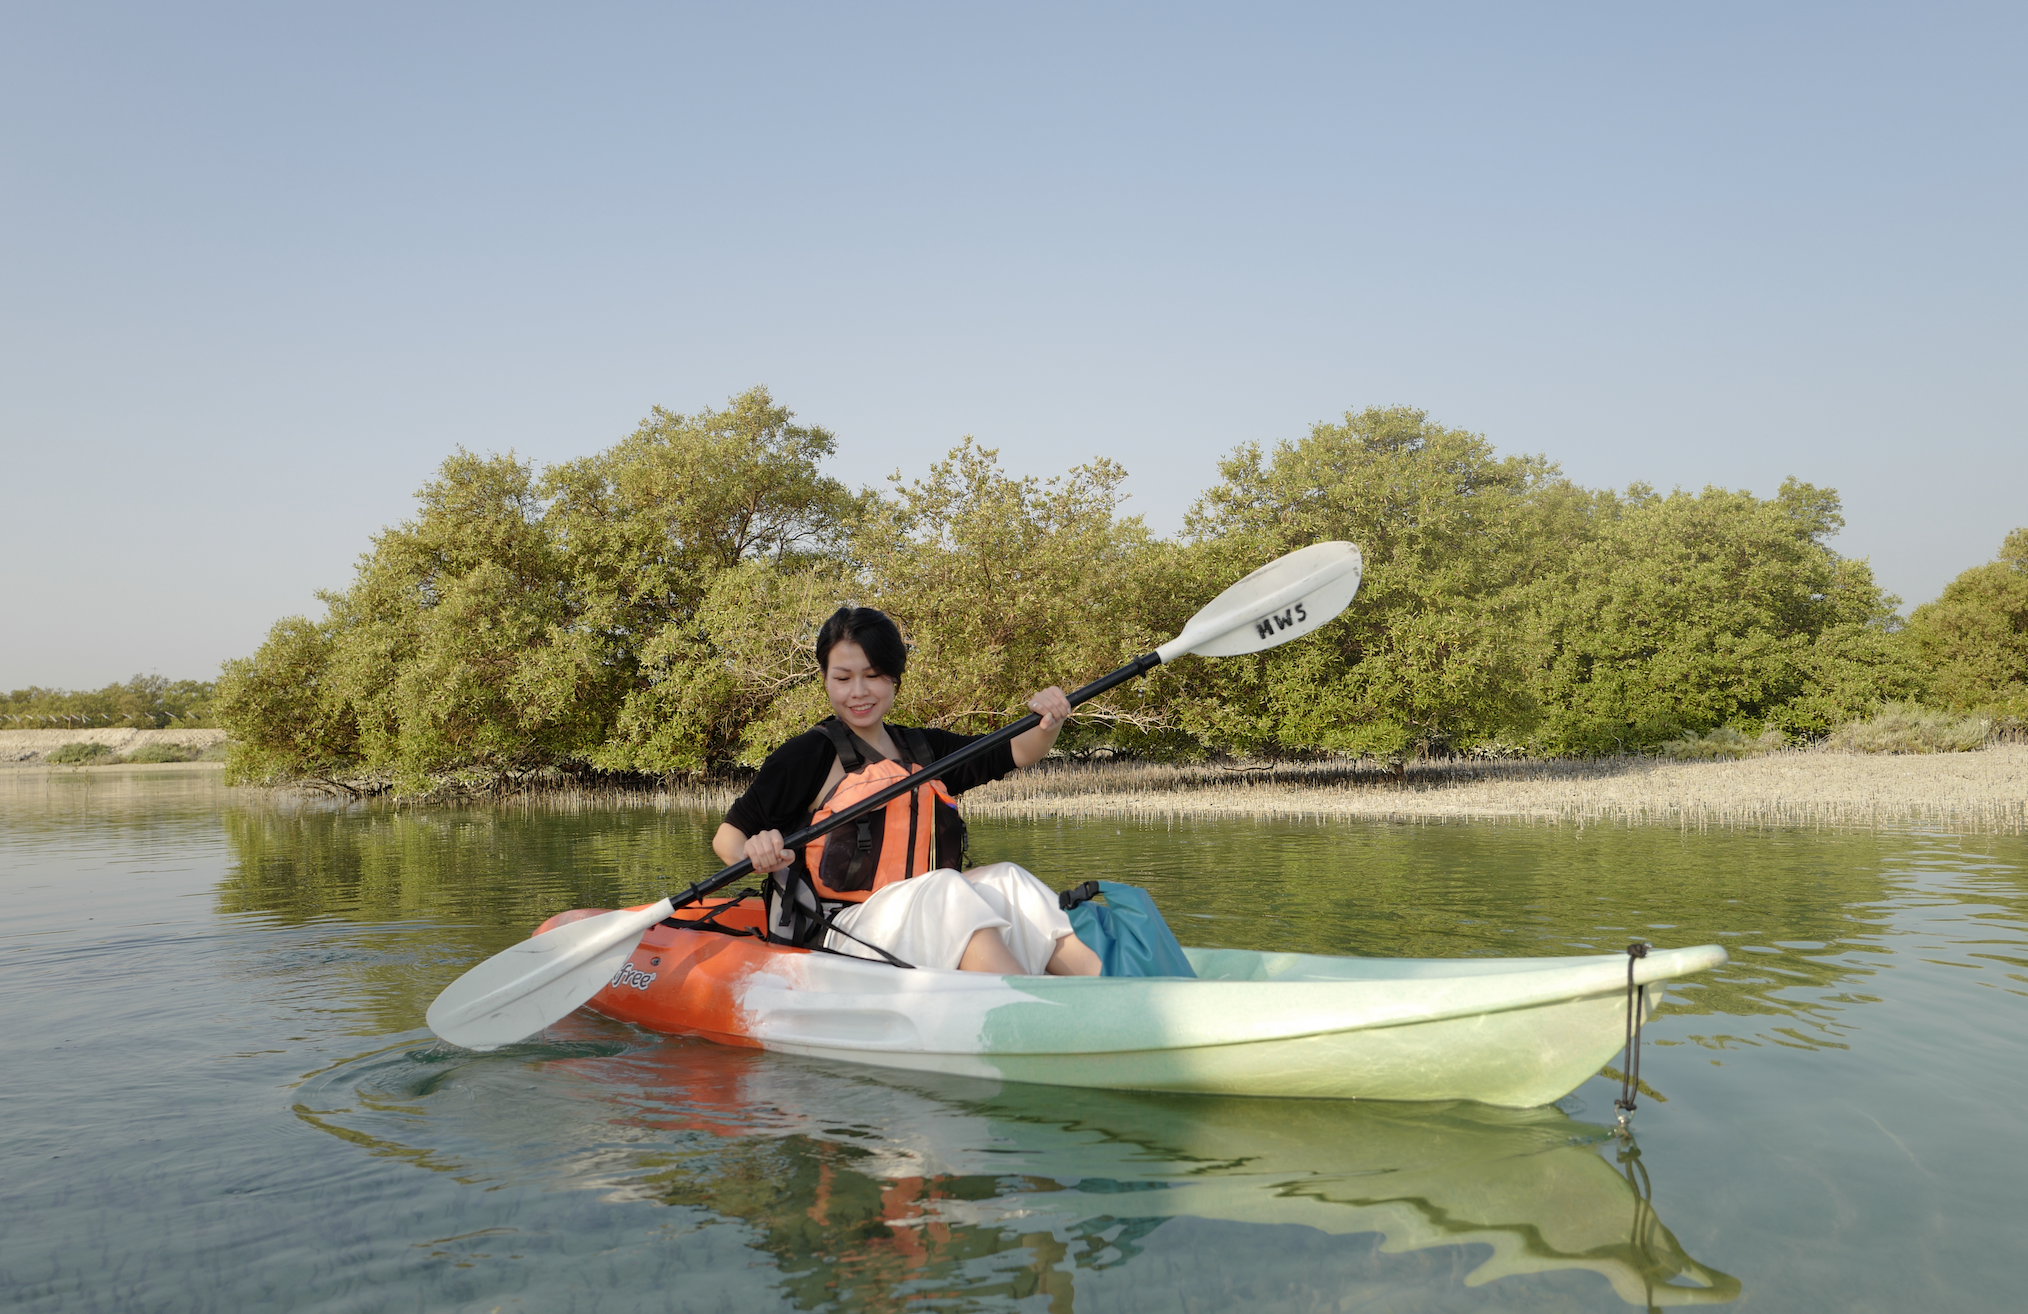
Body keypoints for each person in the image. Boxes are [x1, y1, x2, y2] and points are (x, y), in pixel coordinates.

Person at [714, 606, 1101, 976]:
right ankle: (1031, 1006)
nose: (859, 692)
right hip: (840, 930)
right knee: (944, 890)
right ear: (826, 679)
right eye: (843, 678)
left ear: (894, 677)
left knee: (1008, 881)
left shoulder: (923, 750)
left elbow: (1016, 750)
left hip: (919, 914)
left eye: (873, 675)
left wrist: (1048, 722)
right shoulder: (804, 756)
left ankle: (1112, 989)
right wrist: (755, 851)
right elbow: (728, 839)